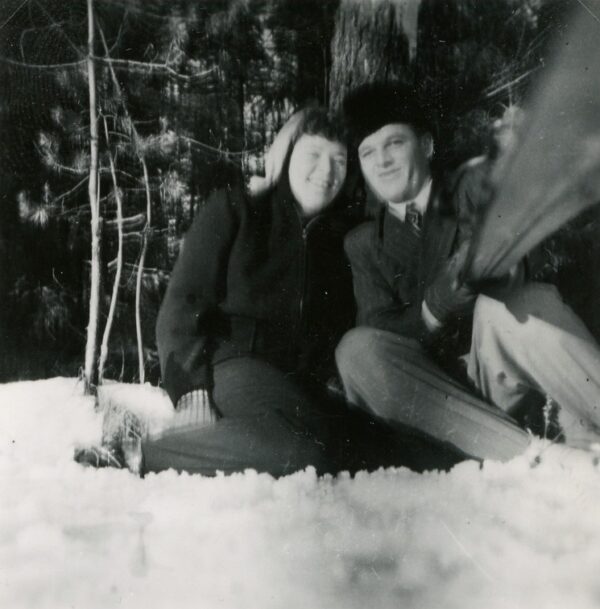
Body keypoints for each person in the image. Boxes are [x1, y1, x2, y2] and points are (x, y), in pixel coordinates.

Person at [335, 82, 600, 462]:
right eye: (367, 152)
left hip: (499, 375)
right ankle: (535, 462)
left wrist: (500, 266)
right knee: (355, 351)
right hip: (439, 406)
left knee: (521, 302)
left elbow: (529, 247)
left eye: (394, 143)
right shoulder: (362, 243)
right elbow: (380, 329)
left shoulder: (469, 188)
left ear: (425, 146)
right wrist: (433, 308)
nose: (382, 161)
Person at [143, 106, 358, 477]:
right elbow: (183, 304)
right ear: (285, 157)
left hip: (301, 384)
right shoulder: (236, 210)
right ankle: (139, 453)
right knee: (301, 450)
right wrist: (191, 389)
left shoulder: (344, 239)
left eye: (339, 160)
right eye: (313, 155)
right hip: (236, 364)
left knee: (372, 449)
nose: (326, 171)